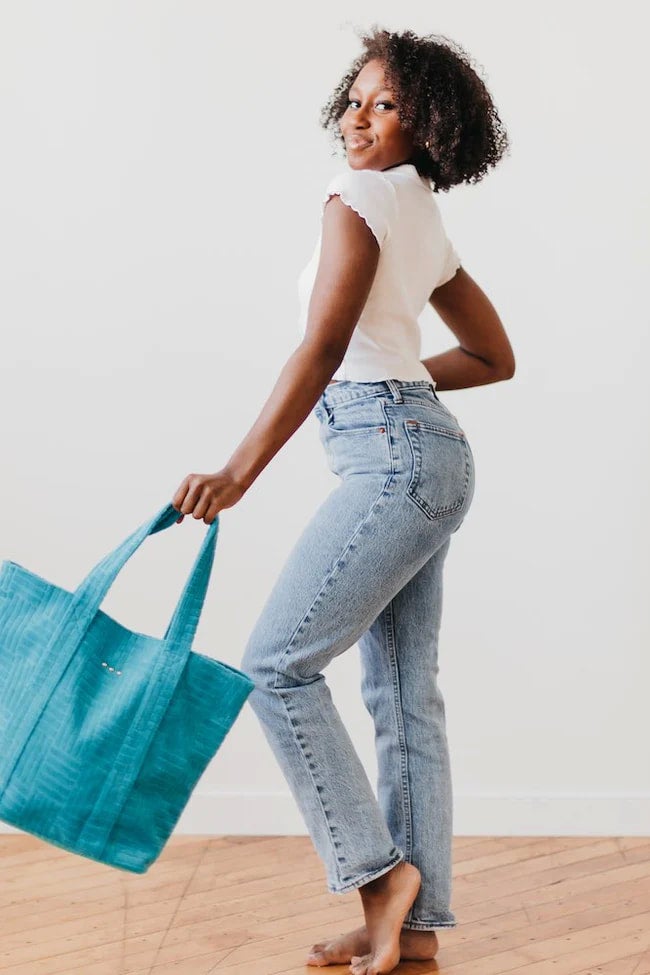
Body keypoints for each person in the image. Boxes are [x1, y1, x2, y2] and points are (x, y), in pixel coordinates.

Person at [172, 26, 515, 975]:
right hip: (427, 453)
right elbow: (494, 357)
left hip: (394, 457)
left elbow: (322, 346)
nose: (360, 119)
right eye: (356, 99)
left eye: (388, 104)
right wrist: (400, 381)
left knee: (275, 663)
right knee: (405, 697)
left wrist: (240, 469)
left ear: (429, 124)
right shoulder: (420, 214)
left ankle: (378, 879)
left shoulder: (358, 195)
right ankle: (410, 935)